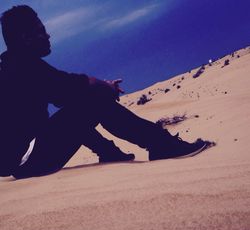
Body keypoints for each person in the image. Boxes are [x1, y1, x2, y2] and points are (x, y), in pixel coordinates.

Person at [0, 5, 211, 179]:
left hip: (23, 162)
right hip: (29, 161)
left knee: (84, 102)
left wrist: (95, 90)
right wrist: (104, 87)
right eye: (40, 30)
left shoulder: (13, 66)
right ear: (26, 38)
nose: (47, 35)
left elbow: (71, 105)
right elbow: (76, 88)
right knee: (93, 98)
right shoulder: (24, 66)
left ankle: (110, 152)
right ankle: (161, 144)